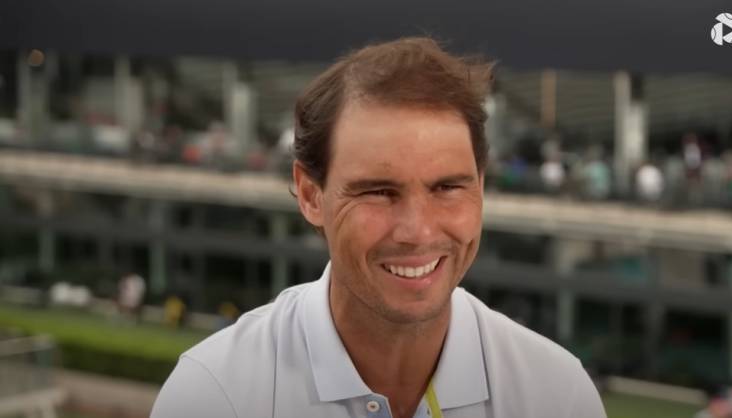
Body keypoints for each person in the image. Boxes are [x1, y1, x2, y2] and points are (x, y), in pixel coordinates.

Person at [151, 37, 606, 418]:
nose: (418, 231)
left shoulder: (557, 396)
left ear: (481, 186)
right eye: (378, 191)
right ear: (310, 195)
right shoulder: (215, 396)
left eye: (448, 187)